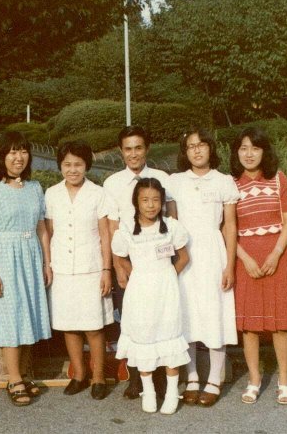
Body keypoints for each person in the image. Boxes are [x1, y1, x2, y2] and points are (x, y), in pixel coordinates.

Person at [0, 131, 52, 407]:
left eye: (22, 151)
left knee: (27, 313)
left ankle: (25, 373)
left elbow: (42, 229)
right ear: (2, 156)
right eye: (11, 152)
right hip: (5, 260)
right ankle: (14, 377)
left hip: (30, 257)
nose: (18, 157)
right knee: (10, 316)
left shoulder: (34, 189)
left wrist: (46, 262)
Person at [103, 125, 175, 398]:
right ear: (121, 151)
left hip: (157, 261)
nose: (133, 154)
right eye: (128, 149)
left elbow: (172, 220)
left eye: (139, 148)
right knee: (132, 320)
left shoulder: (161, 177)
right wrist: (119, 267)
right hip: (129, 259)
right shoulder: (112, 183)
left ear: (147, 149)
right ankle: (136, 378)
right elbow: (111, 229)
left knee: (158, 317)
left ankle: (158, 379)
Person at [170, 128, 239, 407]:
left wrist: (230, 265)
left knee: (214, 312)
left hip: (213, 252)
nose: (196, 150)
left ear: (211, 148)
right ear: (184, 152)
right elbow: (171, 223)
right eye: (190, 146)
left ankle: (214, 378)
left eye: (201, 145)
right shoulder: (175, 181)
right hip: (184, 253)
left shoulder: (223, 181)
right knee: (186, 314)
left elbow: (230, 225)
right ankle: (192, 376)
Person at [230, 127, 287, 405]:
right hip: (245, 259)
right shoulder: (230, 184)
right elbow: (227, 227)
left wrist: (275, 254)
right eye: (244, 148)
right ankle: (255, 379)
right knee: (250, 326)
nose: (249, 153)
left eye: (255, 148)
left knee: (281, 324)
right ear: (237, 152)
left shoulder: (278, 179)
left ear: (264, 151)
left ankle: (284, 380)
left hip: (277, 258)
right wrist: (244, 258)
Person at [112, 178, 190, 415]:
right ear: (136, 201)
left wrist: (168, 275)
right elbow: (120, 256)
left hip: (166, 291)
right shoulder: (126, 228)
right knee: (144, 337)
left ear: (162, 202)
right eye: (145, 200)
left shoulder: (171, 226)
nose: (151, 205)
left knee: (169, 337)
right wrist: (135, 274)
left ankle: (171, 392)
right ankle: (149, 391)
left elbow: (184, 257)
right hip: (139, 291)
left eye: (156, 200)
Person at [45, 141, 114, 400]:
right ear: (60, 166)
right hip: (62, 269)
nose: (72, 170)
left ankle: (99, 377)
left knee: (94, 327)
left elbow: (106, 235)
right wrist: (48, 264)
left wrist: (107, 269)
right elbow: (49, 233)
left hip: (91, 268)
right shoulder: (51, 194)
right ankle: (79, 375)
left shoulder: (98, 193)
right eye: (67, 164)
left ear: (86, 165)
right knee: (69, 326)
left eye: (78, 164)